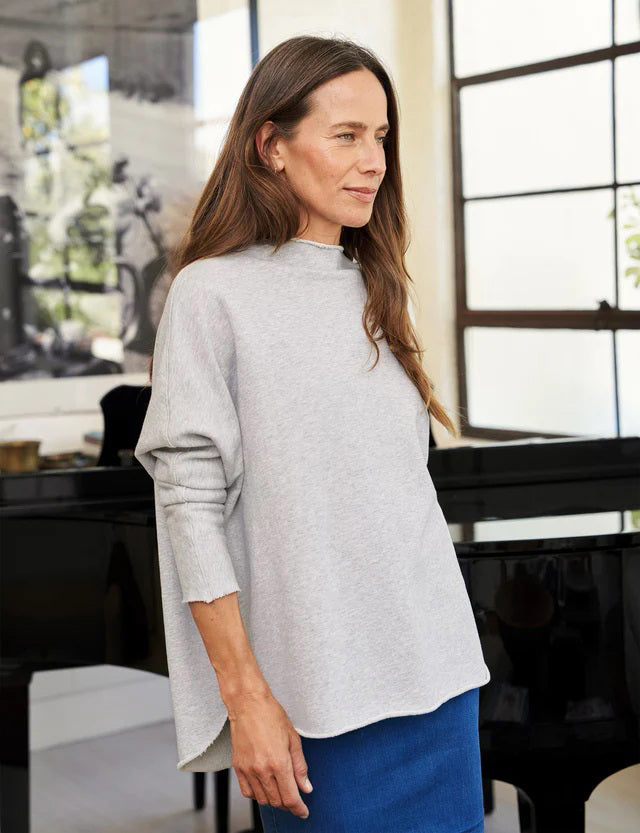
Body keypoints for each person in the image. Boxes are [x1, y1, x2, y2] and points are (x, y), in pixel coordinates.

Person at [134, 34, 491, 833]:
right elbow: (187, 508)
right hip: (320, 693)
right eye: (347, 136)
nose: (374, 161)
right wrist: (247, 696)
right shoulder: (211, 294)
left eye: (382, 137)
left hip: (438, 674)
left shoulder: (375, 284)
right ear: (271, 145)